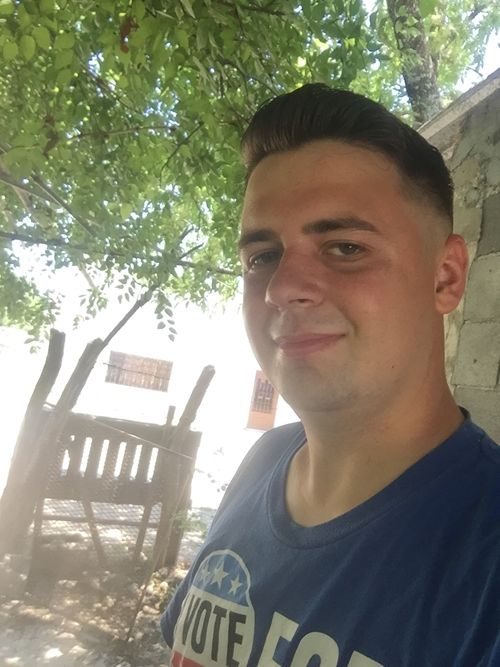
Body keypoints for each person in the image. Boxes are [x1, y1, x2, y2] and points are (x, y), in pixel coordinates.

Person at [161, 84, 500, 666]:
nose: (282, 288)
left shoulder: (485, 562)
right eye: (262, 256)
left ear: (445, 277)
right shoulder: (262, 463)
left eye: (345, 247)